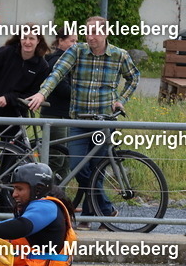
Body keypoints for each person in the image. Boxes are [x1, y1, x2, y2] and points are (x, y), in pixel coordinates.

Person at [27, 16, 140, 220]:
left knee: (98, 169)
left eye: (95, 32)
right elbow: (57, 73)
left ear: (106, 33)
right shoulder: (77, 51)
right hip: (79, 120)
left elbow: (134, 77)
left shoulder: (119, 55)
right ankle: (106, 211)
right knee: (78, 167)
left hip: (104, 121)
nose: (91, 37)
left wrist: (121, 99)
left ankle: (91, 215)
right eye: (88, 32)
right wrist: (42, 93)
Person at [41, 31, 77, 143]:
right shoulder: (57, 60)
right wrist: (84, 94)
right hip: (55, 114)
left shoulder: (65, 59)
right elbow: (62, 89)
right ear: (60, 41)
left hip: (62, 113)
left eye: (76, 41)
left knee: (64, 155)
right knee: (57, 155)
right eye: (72, 41)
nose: (75, 44)